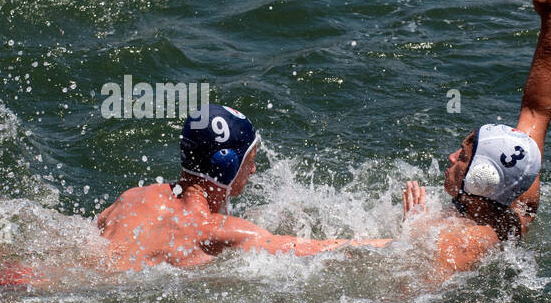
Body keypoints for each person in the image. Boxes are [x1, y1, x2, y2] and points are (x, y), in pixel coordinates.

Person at [399, 0, 551, 277]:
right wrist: (549, 19)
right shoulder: (518, 184)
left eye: (464, 157)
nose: (452, 156)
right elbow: (536, 109)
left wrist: (411, 237)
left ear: (479, 179)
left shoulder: (461, 245)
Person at [96, 103, 386, 269]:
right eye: (250, 160)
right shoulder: (216, 231)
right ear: (227, 166)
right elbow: (319, 250)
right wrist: (408, 240)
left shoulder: (135, 197)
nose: (254, 169)